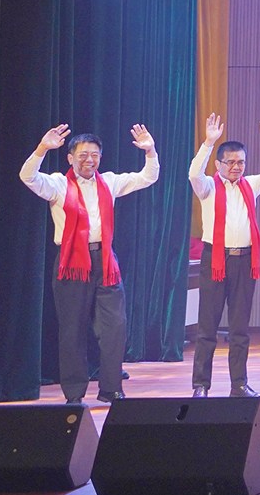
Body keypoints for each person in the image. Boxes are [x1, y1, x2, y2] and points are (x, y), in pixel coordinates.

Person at [20, 123, 160, 403]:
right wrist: (42, 148)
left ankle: (111, 389)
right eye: (83, 155)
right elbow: (28, 177)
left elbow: (148, 177)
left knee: (115, 327)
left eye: (94, 155)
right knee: (72, 330)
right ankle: (74, 394)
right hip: (72, 262)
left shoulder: (109, 182)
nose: (89, 160)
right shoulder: (58, 184)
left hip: (105, 261)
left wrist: (150, 151)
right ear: (70, 158)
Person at [187, 111, 260, 398]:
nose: (236, 167)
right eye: (229, 162)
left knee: (240, 329)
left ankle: (239, 385)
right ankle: (201, 385)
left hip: (244, 261)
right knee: (207, 327)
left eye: (240, 162)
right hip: (215, 261)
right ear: (219, 164)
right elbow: (193, 174)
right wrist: (208, 143)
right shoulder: (207, 187)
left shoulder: (250, 185)